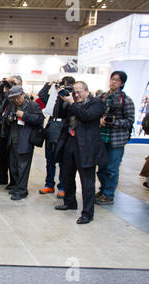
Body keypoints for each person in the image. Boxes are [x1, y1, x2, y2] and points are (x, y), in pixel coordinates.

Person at [54, 81, 105, 224]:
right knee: (67, 175)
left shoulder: (96, 103)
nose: (76, 94)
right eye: (74, 92)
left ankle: (88, 213)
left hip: (86, 146)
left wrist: (72, 102)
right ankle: (69, 202)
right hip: (70, 142)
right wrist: (61, 97)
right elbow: (58, 114)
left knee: (87, 181)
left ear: (87, 91)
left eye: (79, 91)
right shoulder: (71, 103)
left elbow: (86, 116)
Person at [96, 71, 135, 206]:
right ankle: (102, 190)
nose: (113, 82)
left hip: (116, 140)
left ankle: (109, 194)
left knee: (112, 169)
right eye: (112, 79)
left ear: (122, 83)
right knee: (101, 167)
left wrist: (114, 122)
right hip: (101, 138)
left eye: (117, 80)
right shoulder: (102, 98)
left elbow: (130, 121)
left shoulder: (126, 100)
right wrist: (99, 120)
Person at [3, 85, 44, 201]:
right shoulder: (12, 105)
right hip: (13, 140)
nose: (15, 100)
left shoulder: (32, 105)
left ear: (22, 95)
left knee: (23, 167)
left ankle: (22, 190)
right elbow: (5, 118)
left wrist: (24, 116)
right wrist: (9, 119)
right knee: (14, 166)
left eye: (17, 97)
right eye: (13, 98)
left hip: (25, 141)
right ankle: (17, 186)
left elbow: (40, 119)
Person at [37, 76, 76, 199]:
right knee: (49, 160)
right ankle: (49, 184)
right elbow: (42, 95)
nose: (61, 87)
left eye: (63, 85)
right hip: (51, 127)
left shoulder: (71, 99)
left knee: (63, 161)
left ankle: (62, 186)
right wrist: (49, 84)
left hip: (63, 129)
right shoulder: (54, 97)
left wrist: (66, 95)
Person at [0, 76, 21, 186]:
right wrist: (2, 82)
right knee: (2, 157)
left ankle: (14, 182)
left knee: (12, 159)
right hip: (2, 132)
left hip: (12, 133)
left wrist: (14, 85)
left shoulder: (19, 97)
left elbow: (12, 97)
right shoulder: (3, 97)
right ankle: (2, 178)